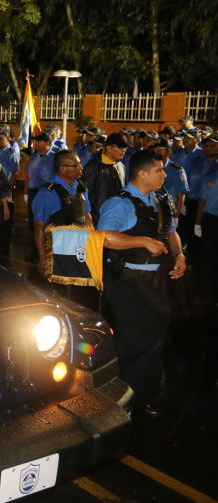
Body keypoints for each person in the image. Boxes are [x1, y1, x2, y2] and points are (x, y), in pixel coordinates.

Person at [97, 149, 186, 418]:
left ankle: (146, 393)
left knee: (157, 336)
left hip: (156, 282)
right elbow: (104, 237)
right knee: (135, 342)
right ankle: (125, 398)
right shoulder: (120, 204)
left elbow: (171, 232)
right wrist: (141, 241)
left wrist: (180, 255)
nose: (164, 174)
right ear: (142, 173)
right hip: (129, 285)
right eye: (159, 170)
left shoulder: (159, 199)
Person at [31, 150, 93, 273]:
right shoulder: (48, 193)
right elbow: (39, 227)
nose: (81, 167)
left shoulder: (80, 187)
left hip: (78, 252)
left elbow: (86, 216)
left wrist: (92, 244)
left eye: (80, 164)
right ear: (63, 169)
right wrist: (43, 258)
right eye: (76, 165)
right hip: (57, 255)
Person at [82, 132, 130, 224]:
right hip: (98, 220)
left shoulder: (121, 166)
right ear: (109, 147)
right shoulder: (93, 167)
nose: (124, 150)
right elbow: (84, 196)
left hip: (118, 218)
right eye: (120, 147)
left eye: (125, 148)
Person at [194, 133, 218, 306]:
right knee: (208, 257)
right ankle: (208, 294)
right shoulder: (210, 176)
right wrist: (197, 222)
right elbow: (202, 200)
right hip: (210, 220)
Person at [0, 126, 21, 255]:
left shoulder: (11, 152)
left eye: (0, 138)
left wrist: (9, 189)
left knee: (5, 216)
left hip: (4, 188)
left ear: (7, 138)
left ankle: (3, 245)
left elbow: (15, 173)